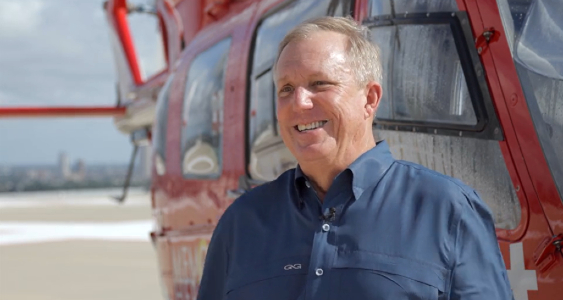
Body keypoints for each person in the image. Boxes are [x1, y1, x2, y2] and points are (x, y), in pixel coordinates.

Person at [197, 16, 514, 300]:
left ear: (370, 98)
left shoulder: (448, 210)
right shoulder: (241, 223)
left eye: (319, 84)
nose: (299, 102)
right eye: (286, 89)